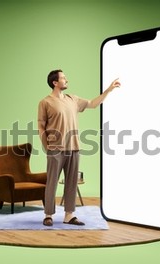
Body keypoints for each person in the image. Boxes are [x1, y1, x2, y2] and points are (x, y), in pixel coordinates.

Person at [37, 69, 120, 226]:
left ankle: (69, 215)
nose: (66, 80)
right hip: (55, 148)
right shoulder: (45, 102)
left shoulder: (72, 99)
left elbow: (93, 104)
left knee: (72, 182)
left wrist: (108, 90)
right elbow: (41, 126)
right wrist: (46, 145)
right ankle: (48, 214)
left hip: (74, 147)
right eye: (63, 78)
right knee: (52, 182)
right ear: (55, 83)